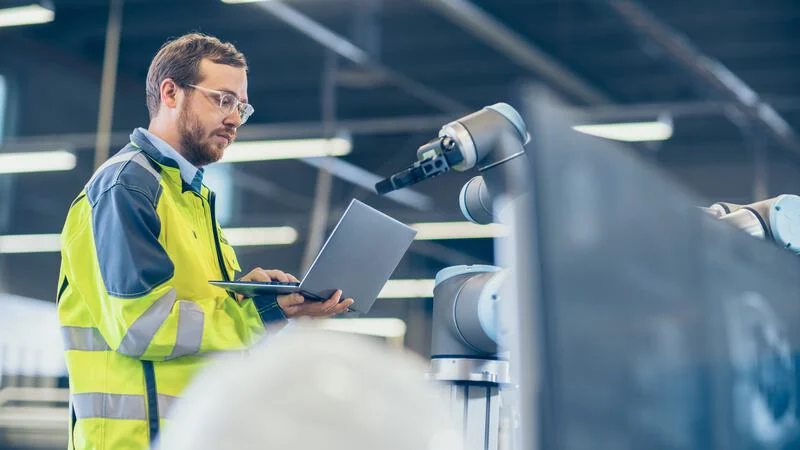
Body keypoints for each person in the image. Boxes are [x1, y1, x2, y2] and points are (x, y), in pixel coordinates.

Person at [56, 33, 353, 450]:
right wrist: (260, 313)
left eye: (241, 106)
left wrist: (263, 301)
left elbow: (210, 328)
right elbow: (143, 326)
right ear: (171, 93)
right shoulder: (127, 188)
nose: (234, 118)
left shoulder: (191, 197)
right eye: (222, 99)